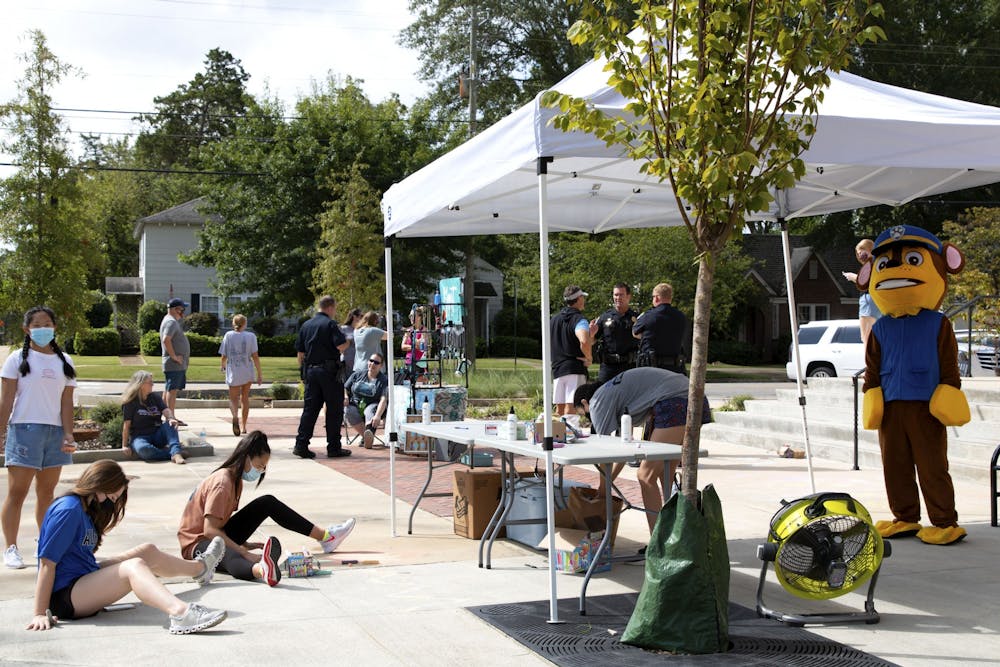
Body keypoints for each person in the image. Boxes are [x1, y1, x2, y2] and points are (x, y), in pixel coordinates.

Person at [28, 459, 227, 635]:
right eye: (113, 497)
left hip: (82, 577)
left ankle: (201, 569)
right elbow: (46, 563)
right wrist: (39, 613)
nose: (112, 504)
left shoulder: (85, 507)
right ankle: (181, 614)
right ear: (100, 485)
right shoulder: (68, 510)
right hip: (64, 597)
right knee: (134, 567)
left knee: (147, 551)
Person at [177, 431, 357, 586]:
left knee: (267, 502)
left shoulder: (235, 480)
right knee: (229, 555)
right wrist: (243, 551)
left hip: (215, 535)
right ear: (246, 456)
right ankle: (261, 569)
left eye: (263, 468)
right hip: (197, 545)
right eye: (259, 466)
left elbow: (219, 523)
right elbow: (209, 530)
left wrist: (245, 544)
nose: (260, 471)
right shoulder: (222, 483)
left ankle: (326, 537)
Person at [573, 367, 710, 534]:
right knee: (665, 474)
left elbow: (605, 455)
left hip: (674, 402)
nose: (587, 417)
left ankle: (658, 542)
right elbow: (623, 452)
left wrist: (602, 490)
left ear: (584, 403)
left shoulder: (597, 402)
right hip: (694, 396)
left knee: (646, 476)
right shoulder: (616, 395)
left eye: (583, 413)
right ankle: (676, 537)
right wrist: (606, 485)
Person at [1, 306, 78, 570]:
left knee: (46, 492)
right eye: (36, 325)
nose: (43, 329)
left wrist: (68, 433)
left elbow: (66, 402)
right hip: (24, 430)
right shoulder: (16, 359)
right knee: (17, 492)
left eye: (47, 324)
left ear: (55, 328)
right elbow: (6, 400)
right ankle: (11, 548)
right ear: (27, 329)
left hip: (55, 433)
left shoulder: (65, 361)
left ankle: (45, 543)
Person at [294, 295, 350, 459]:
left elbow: (300, 353)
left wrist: (304, 373)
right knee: (334, 410)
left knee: (310, 410)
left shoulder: (306, 325)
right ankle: (334, 447)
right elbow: (341, 345)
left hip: (311, 372)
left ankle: (301, 445)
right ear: (330, 307)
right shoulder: (330, 324)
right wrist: (349, 342)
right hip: (329, 373)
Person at [120, 371, 186, 464]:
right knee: (143, 449)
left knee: (171, 424)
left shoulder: (155, 397)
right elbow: (126, 425)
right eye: (150, 382)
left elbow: (166, 410)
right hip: (140, 437)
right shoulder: (129, 402)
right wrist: (124, 445)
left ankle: (176, 453)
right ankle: (171, 454)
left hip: (157, 434)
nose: (152, 384)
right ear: (141, 385)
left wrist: (171, 418)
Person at [551, 285, 592, 428]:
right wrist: (589, 357)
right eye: (583, 298)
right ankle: (569, 437)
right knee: (571, 409)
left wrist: (591, 335)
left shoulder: (554, 319)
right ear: (579, 299)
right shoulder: (579, 319)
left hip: (557, 368)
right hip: (574, 367)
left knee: (559, 409)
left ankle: (557, 435)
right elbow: (584, 341)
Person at [219, 314, 263, 436]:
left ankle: (235, 416)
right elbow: (255, 356)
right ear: (245, 324)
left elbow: (224, 355)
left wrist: (222, 365)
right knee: (245, 398)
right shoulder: (251, 336)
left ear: (233, 323)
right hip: (247, 369)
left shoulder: (228, 335)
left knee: (233, 398)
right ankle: (244, 426)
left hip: (234, 369)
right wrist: (259, 373)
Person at [632, 282, 688, 375]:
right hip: (675, 369)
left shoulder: (648, 316)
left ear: (657, 298)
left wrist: (648, 336)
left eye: (653, 297)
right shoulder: (681, 316)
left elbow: (635, 332)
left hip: (652, 370)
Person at [590, 283, 640, 383]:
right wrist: (591, 333)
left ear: (628, 296)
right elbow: (592, 341)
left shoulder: (636, 318)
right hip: (608, 368)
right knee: (603, 392)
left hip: (630, 367)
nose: (618, 298)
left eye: (621, 295)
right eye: (616, 295)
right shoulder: (604, 317)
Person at [842, 238, 883, 346]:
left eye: (862, 252)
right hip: (877, 301)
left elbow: (868, 282)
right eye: (858, 253)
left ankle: (869, 357)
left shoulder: (872, 264)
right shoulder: (880, 263)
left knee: (866, 337)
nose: (860, 255)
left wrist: (853, 277)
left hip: (869, 302)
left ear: (870, 249)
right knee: (873, 337)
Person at [344, 352, 389, 449]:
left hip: (372, 405)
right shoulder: (358, 374)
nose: (372, 364)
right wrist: (345, 396)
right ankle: (367, 437)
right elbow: (345, 388)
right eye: (371, 361)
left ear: (381, 366)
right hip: (355, 404)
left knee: (370, 410)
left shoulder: (383, 380)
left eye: (376, 362)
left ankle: (369, 434)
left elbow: (383, 399)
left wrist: (378, 416)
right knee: (348, 410)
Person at [159, 298, 190, 421]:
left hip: (175, 363)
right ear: (176, 309)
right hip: (173, 363)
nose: (183, 312)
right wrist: (174, 356)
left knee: (169, 388)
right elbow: (166, 339)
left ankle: (164, 415)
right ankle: (171, 417)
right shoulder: (171, 322)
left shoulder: (170, 321)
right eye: (182, 309)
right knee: (172, 390)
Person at [400, 305, 431, 382]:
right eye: (410, 316)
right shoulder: (409, 330)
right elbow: (403, 346)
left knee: (420, 385)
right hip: (408, 362)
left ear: (419, 317)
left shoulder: (424, 330)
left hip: (420, 363)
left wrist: (411, 338)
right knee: (408, 384)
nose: (411, 318)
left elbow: (422, 346)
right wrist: (414, 346)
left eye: (413, 316)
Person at [339, 308, 363, 382]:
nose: (362, 318)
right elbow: (339, 346)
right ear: (354, 317)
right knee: (346, 384)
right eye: (361, 316)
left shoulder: (360, 330)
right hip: (347, 363)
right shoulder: (343, 329)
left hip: (358, 363)